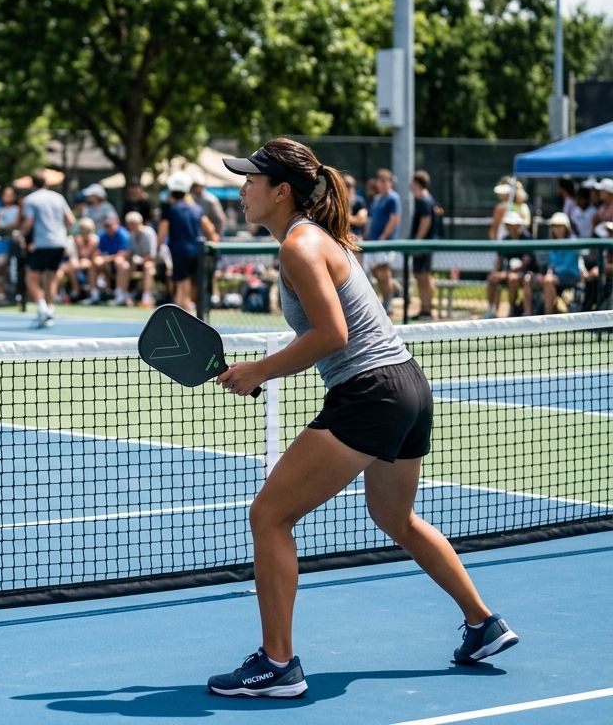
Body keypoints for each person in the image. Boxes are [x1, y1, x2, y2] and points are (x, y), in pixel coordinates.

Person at [210, 137, 517, 698]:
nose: (243, 188)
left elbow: (333, 335)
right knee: (395, 518)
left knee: (269, 516)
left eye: (252, 180)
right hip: (407, 387)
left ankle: (277, 665)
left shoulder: (300, 246)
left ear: (282, 192)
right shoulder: (317, 239)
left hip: (372, 393)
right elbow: (325, 338)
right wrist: (261, 369)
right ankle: (483, 624)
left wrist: (263, 370)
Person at [19, 173, 75, 328]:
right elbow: (71, 221)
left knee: (30, 278)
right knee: (50, 278)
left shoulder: (30, 199)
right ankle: (50, 312)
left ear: (32, 184)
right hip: (60, 243)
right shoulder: (58, 197)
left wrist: (20, 234)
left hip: (43, 244)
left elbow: (29, 222)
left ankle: (42, 308)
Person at [158, 172, 217, 312]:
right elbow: (210, 229)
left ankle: (183, 310)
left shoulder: (169, 209)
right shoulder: (196, 208)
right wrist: (214, 245)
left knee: (181, 282)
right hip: (197, 250)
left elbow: (162, 231)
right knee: (195, 282)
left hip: (178, 250)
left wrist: (158, 248)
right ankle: (195, 311)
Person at [483, 211, 535, 319]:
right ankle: (491, 309)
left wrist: (506, 273)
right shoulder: (505, 240)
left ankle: (511, 309)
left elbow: (526, 262)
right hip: (507, 273)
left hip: (525, 274)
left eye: (512, 225)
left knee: (513, 278)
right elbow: (499, 261)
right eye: (508, 225)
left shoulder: (527, 239)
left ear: (518, 225)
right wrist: (497, 273)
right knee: (492, 278)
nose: (509, 227)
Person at [364, 168, 402, 313]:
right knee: (376, 272)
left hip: (385, 242)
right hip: (373, 242)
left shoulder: (393, 198)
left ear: (390, 183)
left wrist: (384, 237)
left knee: (383, 272)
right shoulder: (376, 199)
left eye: (386, 181)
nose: (383, 184)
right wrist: (367, 235)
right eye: (381, 181)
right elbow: (372, 220)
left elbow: (394, 219)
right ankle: (395, 287)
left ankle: (388, 303)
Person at [408, 170, 438, 320]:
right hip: (421, 245)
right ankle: (424, 309)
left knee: (424, 277)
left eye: (412, 182)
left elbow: (426, 221)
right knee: (420, 276)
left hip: (424, 246)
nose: (410, 185)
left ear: (417, 183)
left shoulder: (425, 200)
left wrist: (417, 242)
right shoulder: (422, 199)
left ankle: (427, 309)